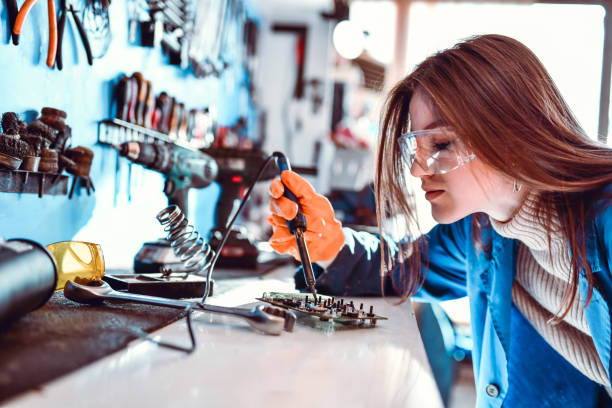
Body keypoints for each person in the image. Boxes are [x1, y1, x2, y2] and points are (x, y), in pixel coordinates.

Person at [267, 34, 612, 407]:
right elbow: (403, 269)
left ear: (514, 133)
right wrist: (330, 243)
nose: (417, 169)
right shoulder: (485, 229)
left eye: (441, 145)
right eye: (416, 147)